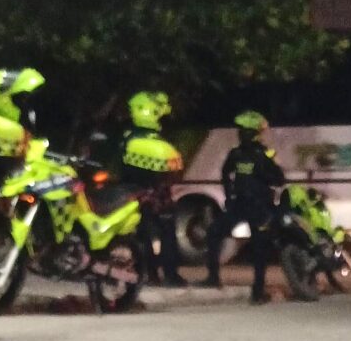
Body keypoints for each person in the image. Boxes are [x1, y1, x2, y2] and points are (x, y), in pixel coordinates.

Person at [198, 111, 285, 304]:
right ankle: (213, 277)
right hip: (239, 204)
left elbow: (279, 179)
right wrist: (229, 195)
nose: (241, 134)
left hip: (260, 206)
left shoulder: (265, 154)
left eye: (244, 130)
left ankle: (258, 291)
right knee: (214, 232)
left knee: (259, 247)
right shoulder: (236, 154)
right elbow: (225, 173)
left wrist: (264, 174)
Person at [121, 91, 187, 287]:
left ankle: (149, 274)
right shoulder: (158, 141)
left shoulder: (128, 138)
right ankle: (170, 275)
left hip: (133, 193)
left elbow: (123, 169)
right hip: (157, 194)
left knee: (143, 235)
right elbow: (173, 169)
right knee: (167, 233)